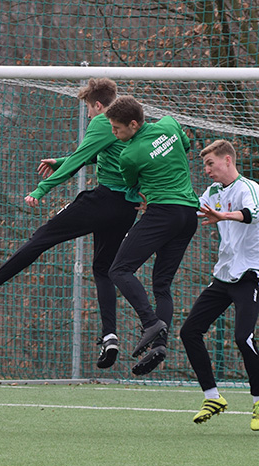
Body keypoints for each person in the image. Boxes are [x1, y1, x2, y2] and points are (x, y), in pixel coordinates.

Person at [0, 78, 140, 370]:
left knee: (42, 236)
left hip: (103, 200)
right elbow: (102, 154)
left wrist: (41, 189)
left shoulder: (103, 121)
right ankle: (110, 335)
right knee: (103, 269)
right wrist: (60, 159)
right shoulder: (129, 125)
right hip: (126, 208)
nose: (89, 116)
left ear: (97, 105)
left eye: (88, 110)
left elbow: (80, 159)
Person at [179, 140, 259, 431]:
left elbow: (251, 214)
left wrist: (223, 215)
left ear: (228, 160)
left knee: (243, 338)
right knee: (189, 331)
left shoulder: (249, 188)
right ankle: (212, 397)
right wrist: (157, 207)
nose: (207, 170)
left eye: (211, 164)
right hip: (224, 275)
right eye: (205, 165)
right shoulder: (213, 193)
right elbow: (190, 211)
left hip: (251, 274)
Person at [105, 95, 199, 376]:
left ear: (133, 124)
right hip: (188, 216)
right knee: (162, 285)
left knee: (119, 270)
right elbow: (188, 144)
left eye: (117, 129)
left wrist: (145, 194)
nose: (114, 133)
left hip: (163, 214)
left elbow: (132, 188)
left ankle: (150, 322)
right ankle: (159, 344)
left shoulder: (129, 155)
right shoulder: (170, 124)